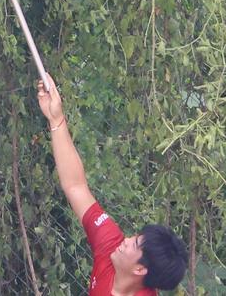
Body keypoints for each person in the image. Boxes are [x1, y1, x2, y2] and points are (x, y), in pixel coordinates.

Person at [36, 78, 190, 294]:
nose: (125, 240)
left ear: (139, 269)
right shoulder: (111, 246)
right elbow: (76, 186)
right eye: (134, 237)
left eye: (134, 245)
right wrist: (56, 118)